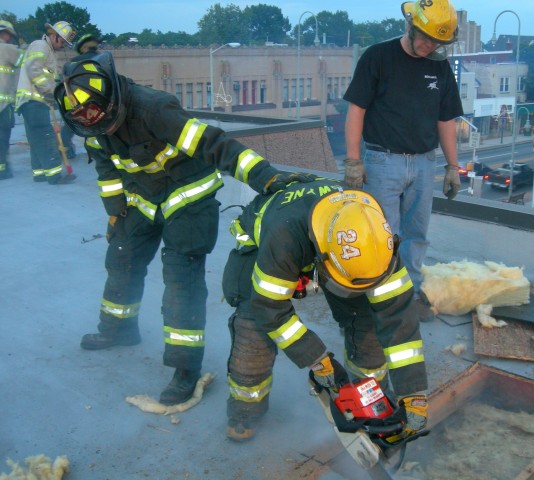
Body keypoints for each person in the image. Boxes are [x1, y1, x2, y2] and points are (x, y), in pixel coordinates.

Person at [53, 50, 308, 406]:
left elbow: (214, 145)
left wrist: (267, 178)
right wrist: (115, 213)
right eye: (80, 117)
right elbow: (108, 171)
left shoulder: (153, 110)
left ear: (109, 98)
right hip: (143, 197)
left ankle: (185, 368)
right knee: (121, 258)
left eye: (92, 112)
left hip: (189, 198)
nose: (90, 120)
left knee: (180, 284)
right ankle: (118, 327)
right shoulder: (92, 124)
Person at [221, 179, 428, 442]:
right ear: (323, 260)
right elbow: (270, 307)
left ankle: (370, 401)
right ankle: (245, 409)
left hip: (331, 252)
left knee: (367, 322)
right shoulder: (283, 237)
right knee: (254, 330)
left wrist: (413, 392)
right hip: (265, 249)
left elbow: (400, 323)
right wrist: (316, 358)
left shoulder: (378, 241)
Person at [342, 0, 463, 321]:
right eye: (425, 38)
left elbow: (446, 119)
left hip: (425, 163)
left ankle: (409, 291)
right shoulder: (378, 57)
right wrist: (354, 162)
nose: (430, 46)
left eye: (437, 42)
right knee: (384, 235)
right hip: (383, 161)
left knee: (417, 234)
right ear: (410, 26)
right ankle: (383, 297)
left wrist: (453, 166)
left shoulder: (439, 65)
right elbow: (357, 110)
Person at [15, 21, 76, 184]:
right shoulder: (40, 46)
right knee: (47, 137)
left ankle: (40, 173)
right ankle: (54, 176)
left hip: (30, 103)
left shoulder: (47, 50)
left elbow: (44, 73)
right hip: (34, 101)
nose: (63, 45)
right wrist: (48, 92)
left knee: (36, 140)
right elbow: (33, 69)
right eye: (62, 41)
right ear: (54, 36)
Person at [60, 33, 102, 159]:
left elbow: (66, 86)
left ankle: (66, 150)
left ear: (82, 48)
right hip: (103, 103)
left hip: (81, 104)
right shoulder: (103, 59)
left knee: (68, 124)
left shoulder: (73, 63)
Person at [0, 20, 22, 180]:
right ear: (5, 33)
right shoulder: (6, 48)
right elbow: (26, 60)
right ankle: (2, 170)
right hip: (3, 105)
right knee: (2, 139)